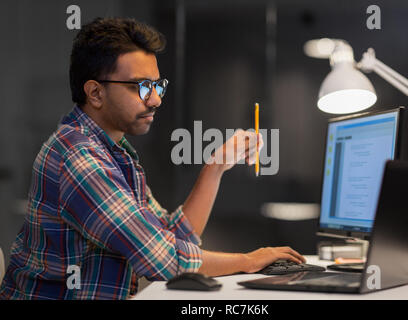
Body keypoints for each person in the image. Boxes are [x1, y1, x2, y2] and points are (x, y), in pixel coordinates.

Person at [0, 17, 305, 300]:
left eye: (157, 85)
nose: (156, 99)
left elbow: (172, 237)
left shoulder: (114, 152)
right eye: (141, 86)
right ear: (95, 93)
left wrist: (216, 166)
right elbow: (159, 258)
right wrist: (249, 261)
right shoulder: (81, 158)